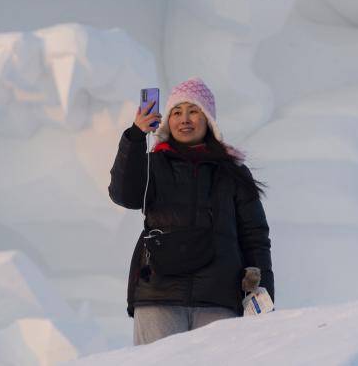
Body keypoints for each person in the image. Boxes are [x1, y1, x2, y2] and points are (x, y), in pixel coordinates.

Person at [108, 77, 274, 345]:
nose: (184, 119)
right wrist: (136, 137)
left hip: (218, 297)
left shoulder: (232, 173)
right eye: (176, 112)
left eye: (193, 111)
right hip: (159, 295)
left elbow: (255, 236)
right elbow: (124, 195)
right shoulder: (152, 165)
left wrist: (262, 292)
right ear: (167, 121)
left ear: (208, 119)